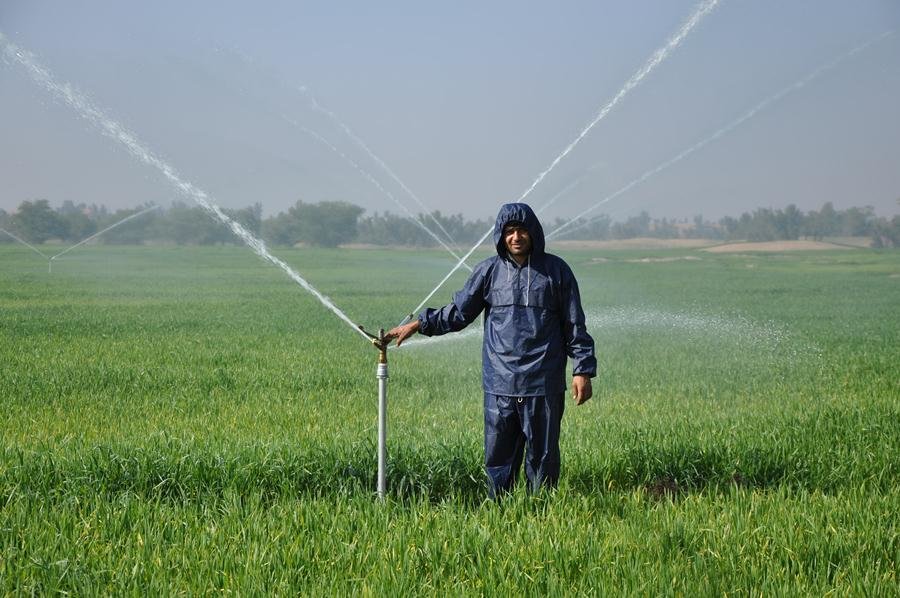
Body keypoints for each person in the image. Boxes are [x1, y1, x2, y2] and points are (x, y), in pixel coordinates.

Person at [386, 202, 596, 496]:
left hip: (543, 382)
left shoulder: (556, 272)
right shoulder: (488, 272)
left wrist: (582, 370)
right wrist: (420, 324)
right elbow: (459, 313)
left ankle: (543, 514)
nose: (516, 237)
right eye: (509, 231)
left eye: (522, 230)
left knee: (544, 457)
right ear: (501, 235)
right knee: (499, 459)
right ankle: (499, 513)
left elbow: (575, 324)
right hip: (501, 384)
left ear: (533, 232)